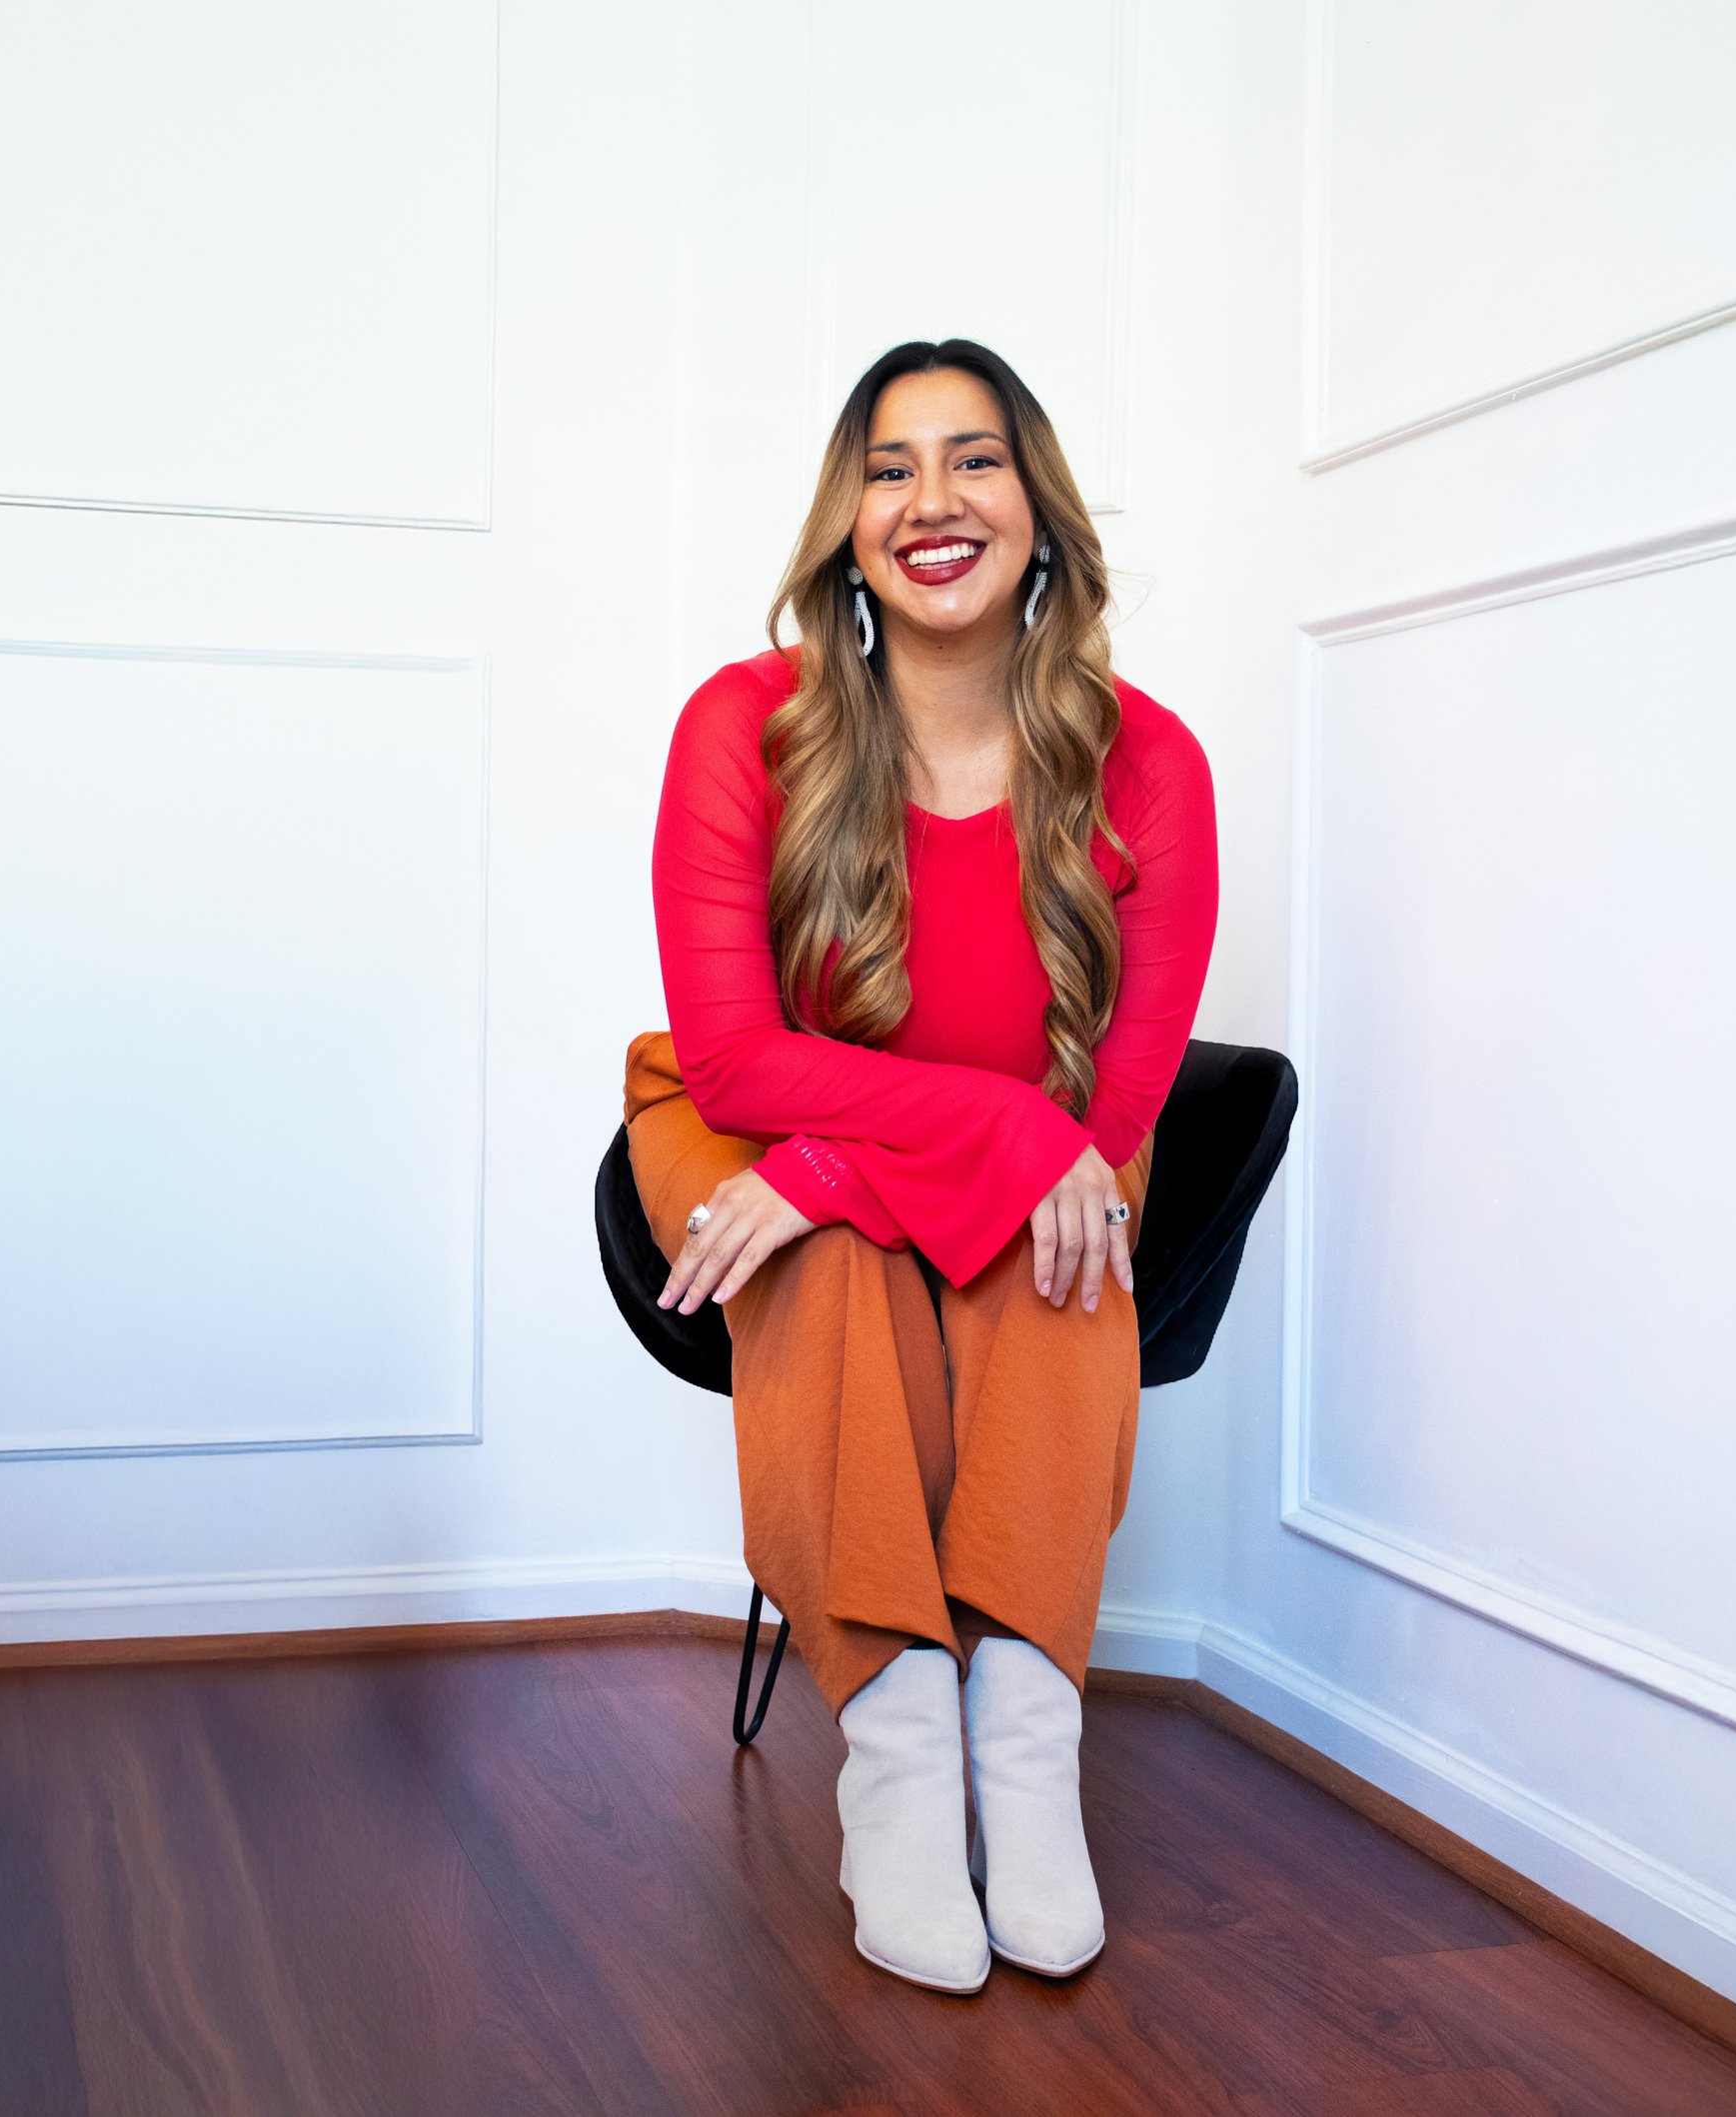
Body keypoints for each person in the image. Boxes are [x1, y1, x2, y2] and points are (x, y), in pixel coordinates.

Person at [625, 338, 1218, 1993]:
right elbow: (741, 1061)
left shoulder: (1152, 765)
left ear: (1039, 510)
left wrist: (986, 1150)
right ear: (847, 518)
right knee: (829, 1260)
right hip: (747, 1140)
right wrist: (964, 1144)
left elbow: (1108, 1118)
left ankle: (1024, 1748)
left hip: (1018, 1161)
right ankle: (893, 1752)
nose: (933, 501)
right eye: (891, 466)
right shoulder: (746, 725)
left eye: (975, 460)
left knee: (1066, 1243)